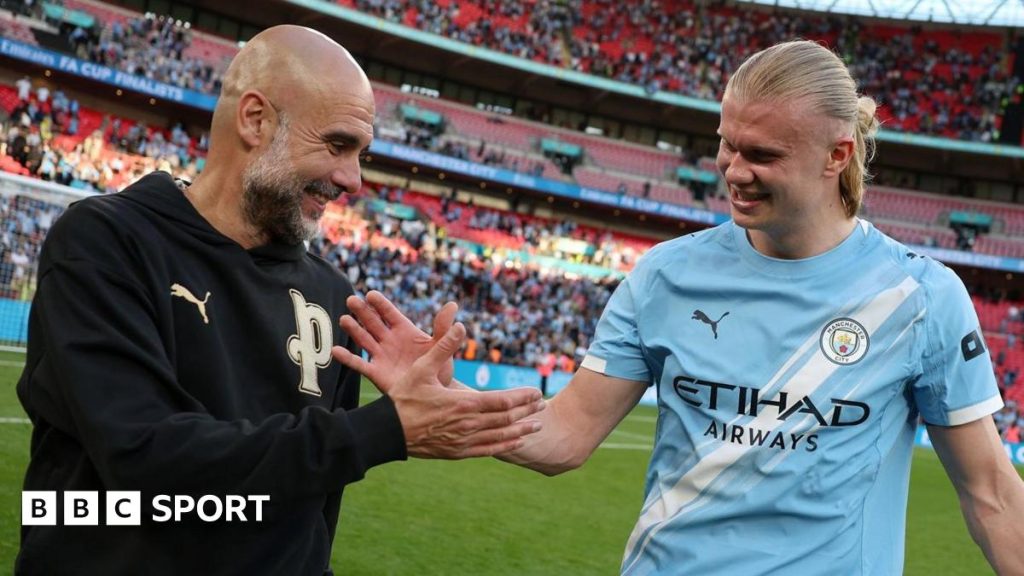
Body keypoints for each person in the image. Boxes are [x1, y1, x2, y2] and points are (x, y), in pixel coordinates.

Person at [334, 41, 1024, 574]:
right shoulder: (667, 275)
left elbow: (992, 493)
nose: (731, 168)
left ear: (837, 155)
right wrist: (447, 395)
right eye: (725, 142)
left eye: (762, 153)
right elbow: (564, 437)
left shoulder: (921, 297)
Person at [16, 25, 544, 576]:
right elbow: (143, 457)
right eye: (338, 144)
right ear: (255, 119)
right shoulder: (106, 242)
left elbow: (314, 511)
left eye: (361, 153)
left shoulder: (334, 297)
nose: (353, 179)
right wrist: (384, 428)